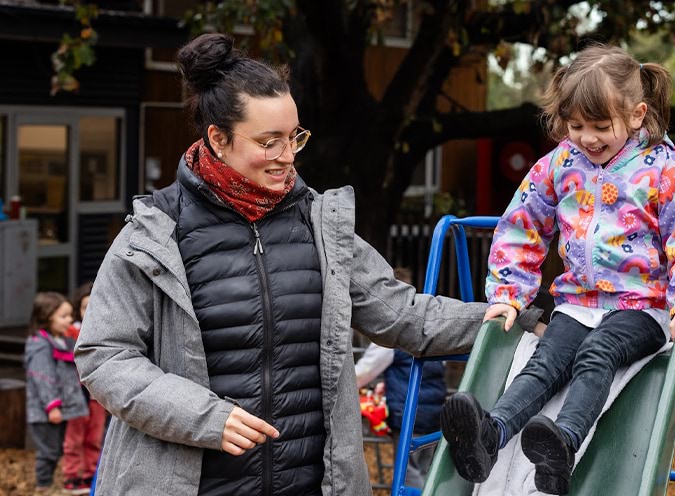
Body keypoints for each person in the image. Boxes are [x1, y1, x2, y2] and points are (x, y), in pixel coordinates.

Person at [73, 33, 544, 496]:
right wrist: (205, 418)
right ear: (217, 138)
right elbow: (104, 356)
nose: (287, 157)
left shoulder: (319, 224)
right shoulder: (154, 233)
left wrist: (522, 319)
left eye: (293, 137)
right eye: (268, 141)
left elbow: (404, 313)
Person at [440, 44, 675, 495]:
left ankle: (564, 443)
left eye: (600, 126)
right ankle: (490, 434)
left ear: (635, 115)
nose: (587, 137)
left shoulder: (663, 169)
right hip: (578, 302)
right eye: (575, 126)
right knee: (544, 362)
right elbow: (523, 224)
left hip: (642, 308)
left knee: (598, 354)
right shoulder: (561, 163)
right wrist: (509, 294)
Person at [354, 268, 446, 489]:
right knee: (427, 468)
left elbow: (365, 371)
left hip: (408, 411)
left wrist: (346, 385)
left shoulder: (392, 333)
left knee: (408, 472)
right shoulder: (430, 325)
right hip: (434, 411)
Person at [24, 292, 89, 494]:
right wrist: (53, 406)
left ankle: (48, 483)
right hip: (46, 412)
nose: (70, 320)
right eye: (63, 316)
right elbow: (43, 378)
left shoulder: (62, 341)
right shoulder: (40, 345)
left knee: (57, 449)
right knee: (49, 451)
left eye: (70, 315)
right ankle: (43, 486)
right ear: (46, 316)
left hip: (61, 410)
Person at [62, 282, 106, 494]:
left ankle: (89, 473)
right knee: (74, 437)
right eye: (83, 307)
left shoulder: (108, 329)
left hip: (95, 396)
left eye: (92, 305)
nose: (88, 311)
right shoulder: (70, 334)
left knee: (94, 436)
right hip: (74, 395)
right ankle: (71, 475)